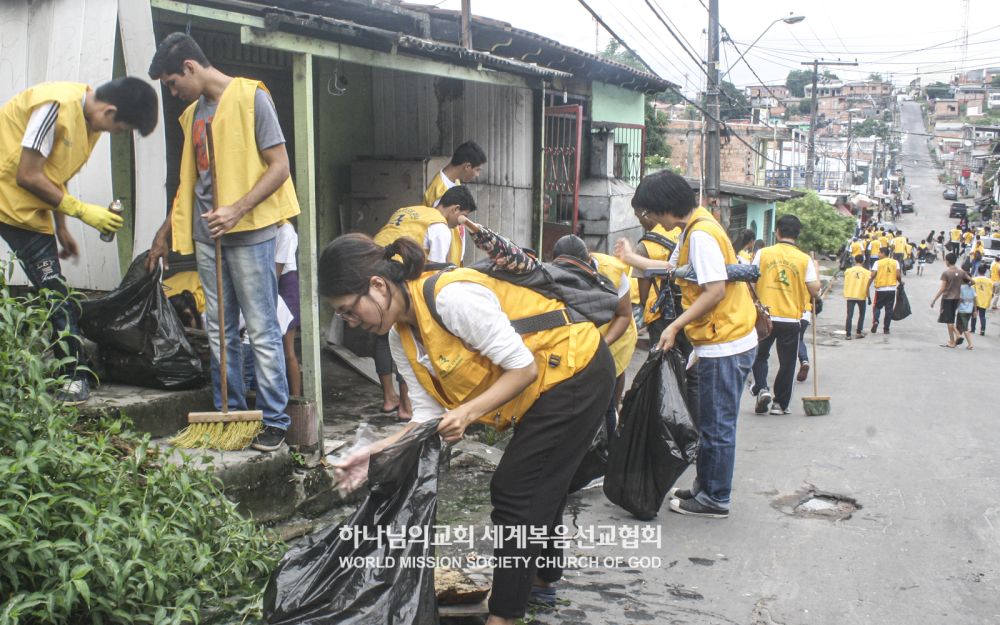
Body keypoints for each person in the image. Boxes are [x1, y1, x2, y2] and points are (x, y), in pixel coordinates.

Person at [319, 234, 614, 623]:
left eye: (348, 311)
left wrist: (468, 412)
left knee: (515, 490)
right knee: (541, 479)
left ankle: (505, 614)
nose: (351, 322)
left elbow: (522, 368)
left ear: (377, 286)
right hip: (542, 383)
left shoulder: (450, 298)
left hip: (577, 371)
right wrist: (374, 451)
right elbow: (426, 418)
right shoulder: (399, 337)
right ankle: (541, 580)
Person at [146, 33, 300, 452]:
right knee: (219, 331)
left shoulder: (252, 98)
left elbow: (280, 166)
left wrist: (236, 208)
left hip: (250, 235)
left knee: (263, 331)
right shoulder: (193, 116)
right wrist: (164, 235)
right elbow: (189, 185)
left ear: (190, 67)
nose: (174, 94)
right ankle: (228, 414)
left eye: (174, 84)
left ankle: (273, 419)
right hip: (206, 238)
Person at [0, 77, 158, 404]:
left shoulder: (91, 124)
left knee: (55, 294)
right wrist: (82, 212)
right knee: (55, 294)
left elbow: (55, 173)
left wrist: (62, 229)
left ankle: (74, 376)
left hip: (27, 211)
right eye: (119, 128)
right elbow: (28, 174)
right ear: (110, 110)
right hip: (8, 195)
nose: (113, 134)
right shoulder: (54, 106)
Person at [615, 171, 757, 518]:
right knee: (710, 421)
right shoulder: (694, 227)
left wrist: (675, 326)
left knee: (717, 426)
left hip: (725, 341)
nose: (646, 220)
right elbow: (674, 268)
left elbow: (715, 291)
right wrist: (634, 260)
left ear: (660, 209)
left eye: (646, 213)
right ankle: (705, 485)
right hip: (718, 338)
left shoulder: (702, 236)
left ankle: (715, 498)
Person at [372, 186, 478, 419]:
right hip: (400, 282)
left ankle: (389, 399)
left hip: (375, 273)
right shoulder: (439, 226)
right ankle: (406, 407)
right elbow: (434, 273)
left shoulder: (409, 210)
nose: (461, 223)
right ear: (455, 209)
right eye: (464, 217)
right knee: (406, 334)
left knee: (382, 335)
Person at [552, 234, 637, 435]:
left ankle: (610, 437)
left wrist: (601, 345)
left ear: (589, 261)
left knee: (606, 394)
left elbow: (624, 315)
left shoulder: (612, 272)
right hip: (584, 337)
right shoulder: (555, 272)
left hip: (614, 335)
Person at [749, 215, 822, 415]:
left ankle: (762, 388)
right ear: (797, 235)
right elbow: (814, 290)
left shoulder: (762, 253)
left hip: (765, 316)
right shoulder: (804, 259)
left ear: (777, 232)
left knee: (760, 355)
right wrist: (816, 279)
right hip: (791, 318)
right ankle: (780, 404)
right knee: (787, 363)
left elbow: (751, 282)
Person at [424, 141, 487, 266]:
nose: (477, 174)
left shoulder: (454, 182)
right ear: (467, 166)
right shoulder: (440, 191)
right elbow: (438, 239)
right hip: (444, 264)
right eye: (477, 170)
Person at [275, 220, 301, 397]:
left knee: (288, 351)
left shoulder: (286, 229)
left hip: (284, 284)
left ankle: (296, 397)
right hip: (274, 282)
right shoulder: (270, 228)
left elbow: (278, 267)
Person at [931, 253, 972, 348]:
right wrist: (967, 285)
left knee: (949, 320)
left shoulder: (946, 273)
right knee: (950, 320)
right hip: (956, 299)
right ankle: (952, 341)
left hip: (947, 299)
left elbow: (942, 289)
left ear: (948, 261)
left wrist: (934, 300)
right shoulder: (962, 272)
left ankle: (957, 335)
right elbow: (972, 281)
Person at [869, 247, 901, 335]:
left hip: (880, 290)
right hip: (891, 290)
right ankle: (886, 329)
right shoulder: (895, 262)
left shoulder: (877, 263)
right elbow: (898, 275)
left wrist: (867, 286)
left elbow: (872, 275)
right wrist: (901, 282)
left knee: (877, 307)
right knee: (889, 309)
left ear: (883, 253)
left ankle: (875, 321)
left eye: (879, 253)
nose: (878, 254)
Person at [843, 255, 871, 339]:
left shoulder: (848, 271)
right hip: (861, 295)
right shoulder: (867, 272)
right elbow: (867, 286)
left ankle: (848, 334)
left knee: (849, 315)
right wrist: (868, 297)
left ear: (855, 260)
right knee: (861, 314)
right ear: (863, 261)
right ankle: (858, 332)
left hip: (850, 295)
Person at [970, 264, 993, 336]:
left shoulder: (974, 279)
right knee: (982, 316)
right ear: (985, 271)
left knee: (974, 314)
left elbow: (971, 289)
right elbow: (991, 291)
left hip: (975, 300)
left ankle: (973, 329)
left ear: (978, 271)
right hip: (984, 301)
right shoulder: (989, 281)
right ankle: (982, 330)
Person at [956, 280, 976, 350]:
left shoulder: (961, 288)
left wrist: (956, 307)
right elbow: (975, 300)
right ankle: (956, 340)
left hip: (962, 310)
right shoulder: (972, 288)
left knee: (964, 327)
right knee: (959, 326)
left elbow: (960, 299)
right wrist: (975, 311)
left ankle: (970, 344)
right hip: (969, 310)